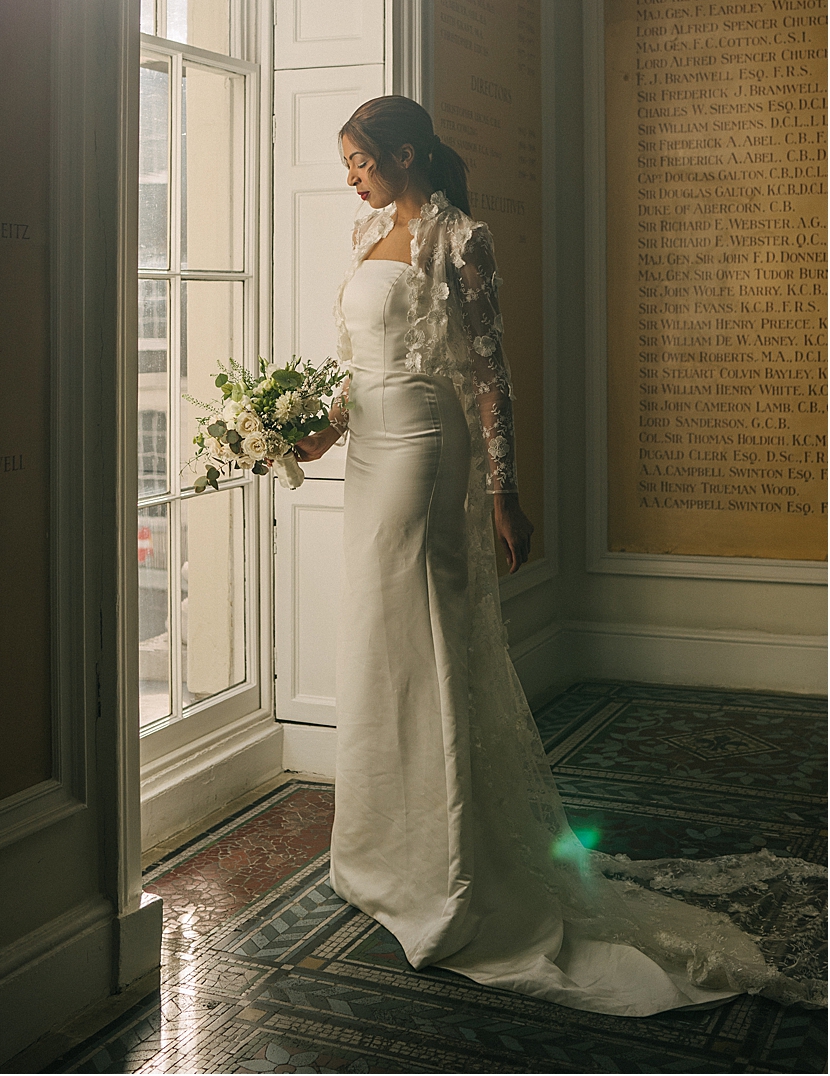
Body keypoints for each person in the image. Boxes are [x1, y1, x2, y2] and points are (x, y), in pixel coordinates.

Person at [291, 95, 820, 1016]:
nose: (351, 177)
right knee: (379, 638)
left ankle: (451, 867)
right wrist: (318, 432)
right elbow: (356, 356)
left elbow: (488, 372)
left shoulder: (464, 241)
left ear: (407, 154)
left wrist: (504, 492)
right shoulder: (366, 230)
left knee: (427, 637)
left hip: (423, 445)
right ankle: (380, 852)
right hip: (370, 448)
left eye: (360, 161)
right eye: (346, 163)